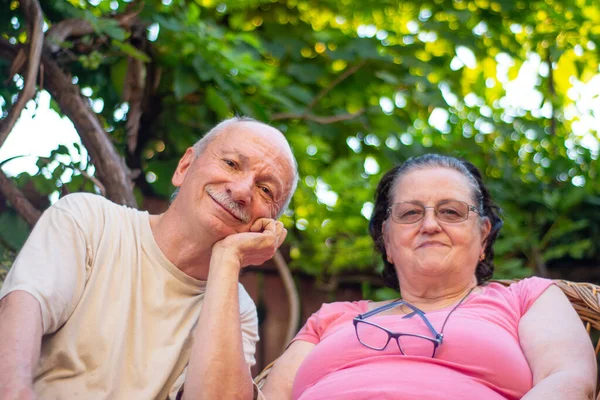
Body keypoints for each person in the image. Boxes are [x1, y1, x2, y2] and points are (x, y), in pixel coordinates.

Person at [0, 117, 298, 400]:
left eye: (265, 189)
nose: (242, 190)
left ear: (268, 225)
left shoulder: (237, 310)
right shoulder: (89, 221)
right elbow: (21, 315)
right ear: (184, 166)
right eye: (232, 164)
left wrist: (228, 258)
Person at [260, 154, 596, 400]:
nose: (430, 225)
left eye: (451, 211)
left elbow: (568, 380)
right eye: (410, 213)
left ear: (483, 235)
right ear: (387, 242)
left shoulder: (527, 299)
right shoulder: (331, 318)